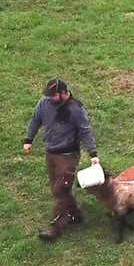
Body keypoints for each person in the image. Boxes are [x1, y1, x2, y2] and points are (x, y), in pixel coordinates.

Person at [23, 78, 100, 242]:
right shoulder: (45, 102)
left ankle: (56, 226)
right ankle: (75, 214)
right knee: (57, 189)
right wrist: (28, 140)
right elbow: (35, 119)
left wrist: (93, 154)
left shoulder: (76, 109)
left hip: (68, 156)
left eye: (53, 95)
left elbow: (85, 132)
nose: (50, 98)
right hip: (50, 154)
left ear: (63, 93)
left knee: (60, 190)